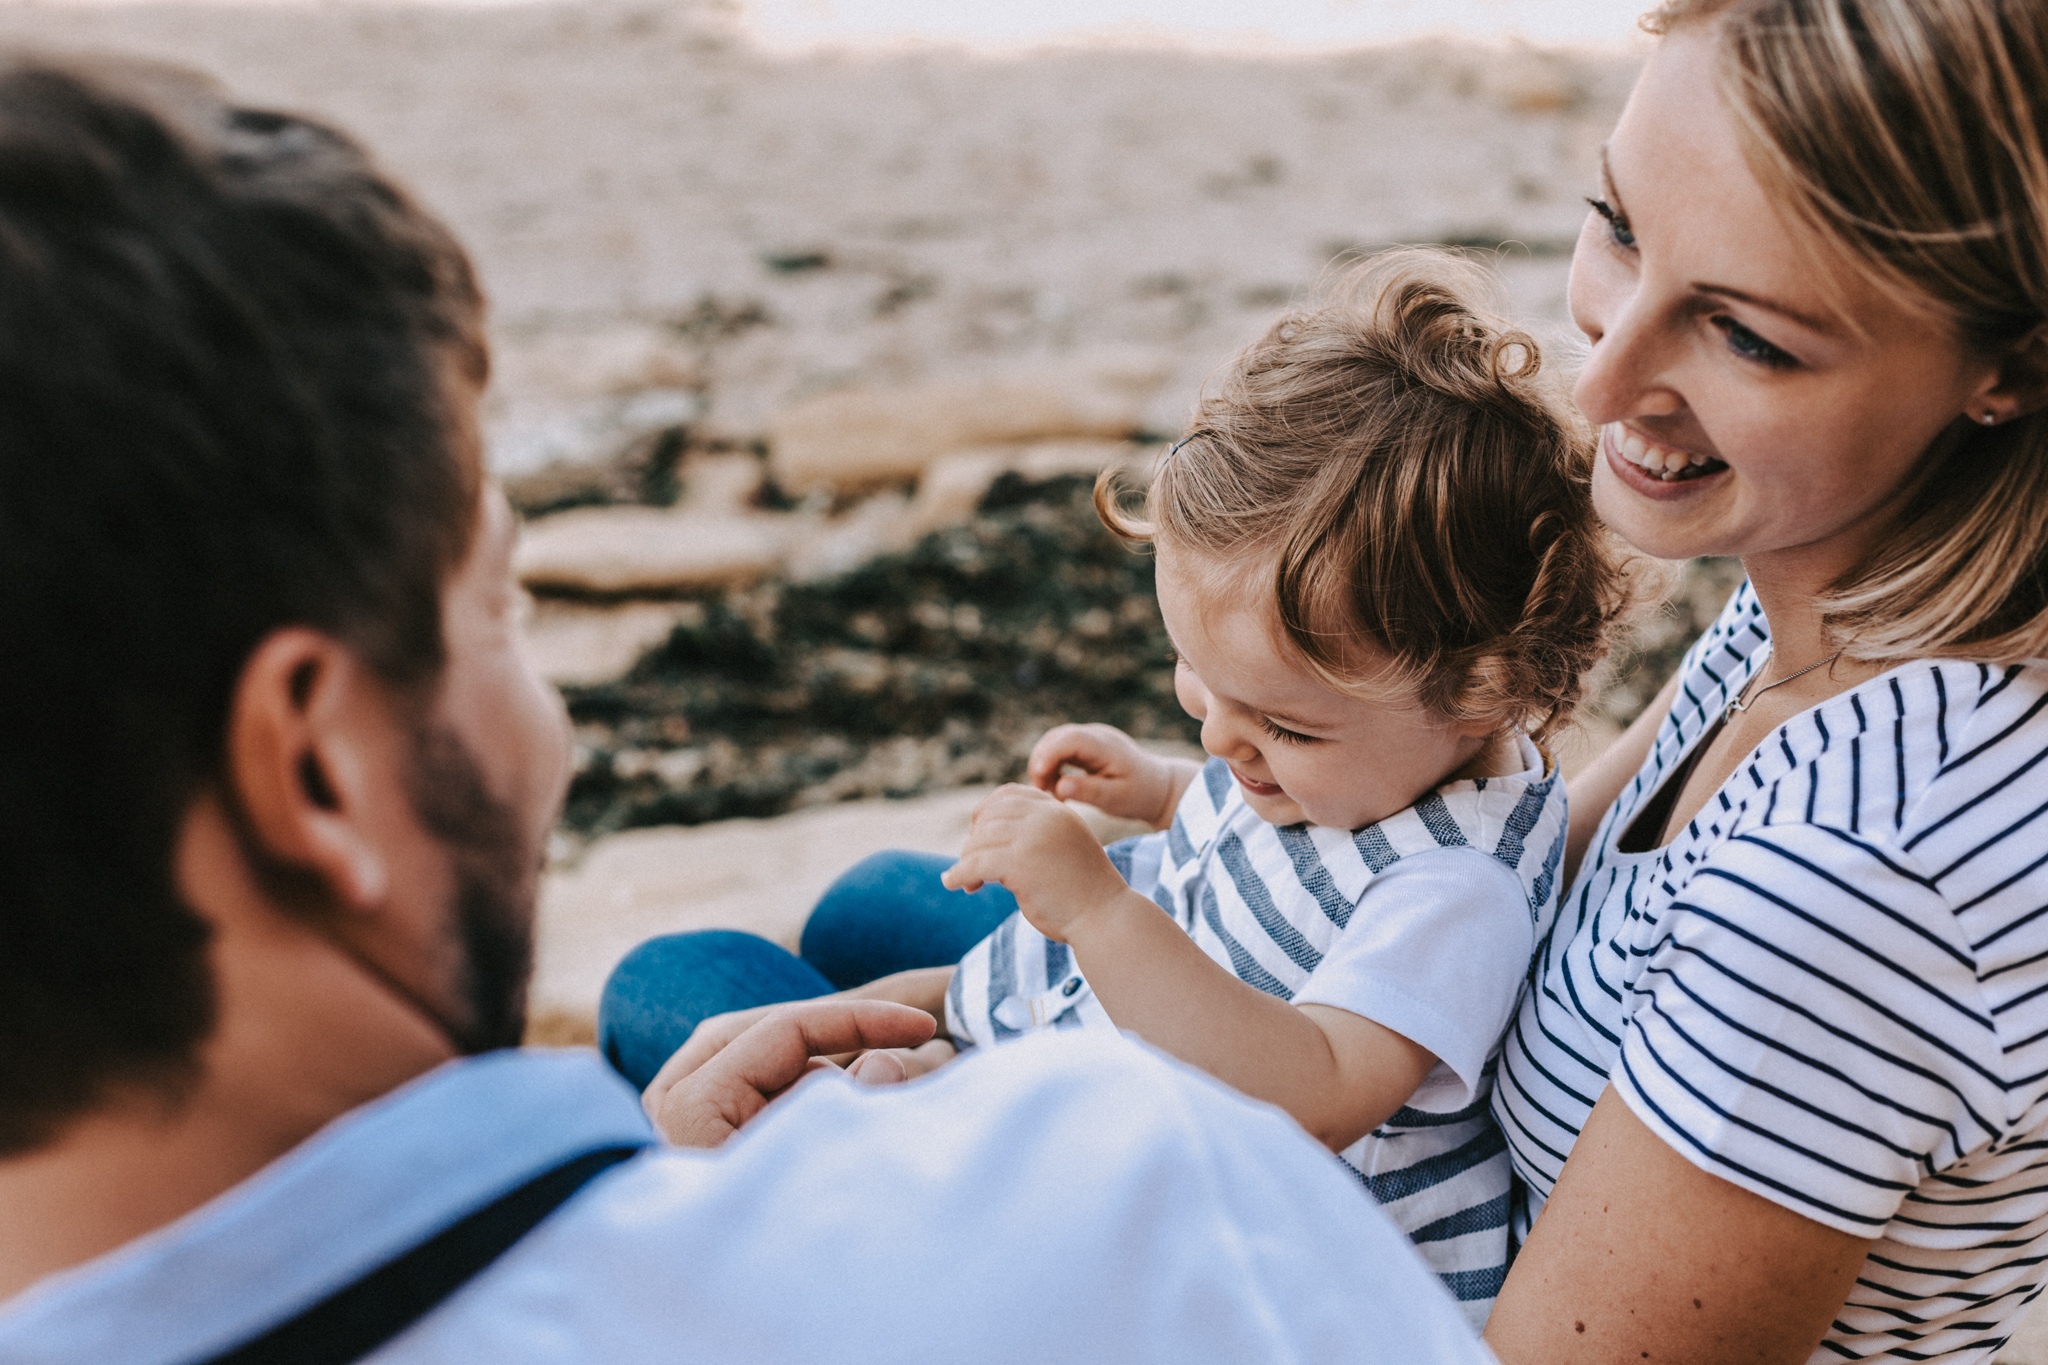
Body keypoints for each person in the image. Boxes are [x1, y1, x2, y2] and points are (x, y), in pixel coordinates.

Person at [0, 57, 1498, 1364]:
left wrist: (650, 1180)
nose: (555, 732)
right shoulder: (1130, 1215)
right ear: (316, 770)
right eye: (502, 616)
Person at [629, 2, 2048, 1361]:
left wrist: (1010, 1143)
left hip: (1342, 1257)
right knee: (876, 908)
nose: (1603, 383)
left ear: (2007, 366)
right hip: (1368, 1111)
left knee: (680, 997)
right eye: (1619, 224)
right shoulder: (1845, 587)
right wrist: (1000, 993)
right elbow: (1530, 850)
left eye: (1748, 334)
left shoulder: (1865, 877)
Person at [602, 253, 1633, 1327]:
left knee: (668, 983)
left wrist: (1096, 908)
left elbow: (1309, 1090)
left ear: (1483, 690)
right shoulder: (1369, 766)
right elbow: (1281, 860)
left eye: (1279, 723)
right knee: (862, 900)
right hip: (1109, 1070)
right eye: (1198, 680)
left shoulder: (1452, 894)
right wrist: (1162, 790)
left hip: (1192, 1243)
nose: (1224, 734)